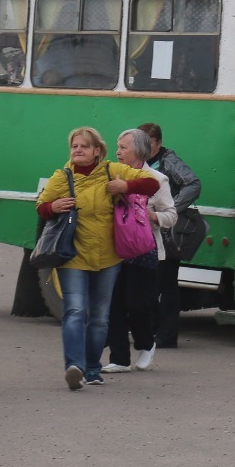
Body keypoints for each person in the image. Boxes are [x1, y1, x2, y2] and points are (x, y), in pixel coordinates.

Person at [37, 126, 159, 391]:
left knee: (100, 317)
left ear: (96, 151)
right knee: (75, 311)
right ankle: (74, 367)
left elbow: (152, 183)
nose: (78, 150)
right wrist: (52, 206)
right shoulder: (62, 177)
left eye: (84, 146)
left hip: (108, 258)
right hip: (73, 257)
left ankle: (92, 368)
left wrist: (125, 185)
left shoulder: (112, 171)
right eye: (74, 146)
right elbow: (41, 206)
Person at [103, 129, 177, 373]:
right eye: (118, 146)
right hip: (113, 251)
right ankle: (119, 358)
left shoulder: (156, 179)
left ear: (140, 151)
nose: (118, 151)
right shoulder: (110, 174)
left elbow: (172, 215)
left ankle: (146, 345)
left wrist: (151, 215)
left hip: (144, 251)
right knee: (113, 305)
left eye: (124, 147)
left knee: (138, 305)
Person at [137, 122, 202, 348]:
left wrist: (171, 208)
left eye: (150, 144)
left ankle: (167, 335)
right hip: (146, 231)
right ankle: (154, 330)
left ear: (159, 143)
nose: (145, 148)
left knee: (166, 284)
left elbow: (193, 184)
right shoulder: (139, 163)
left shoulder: (168, 161)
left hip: (167, 232)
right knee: (150, 283)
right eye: (141, 144)